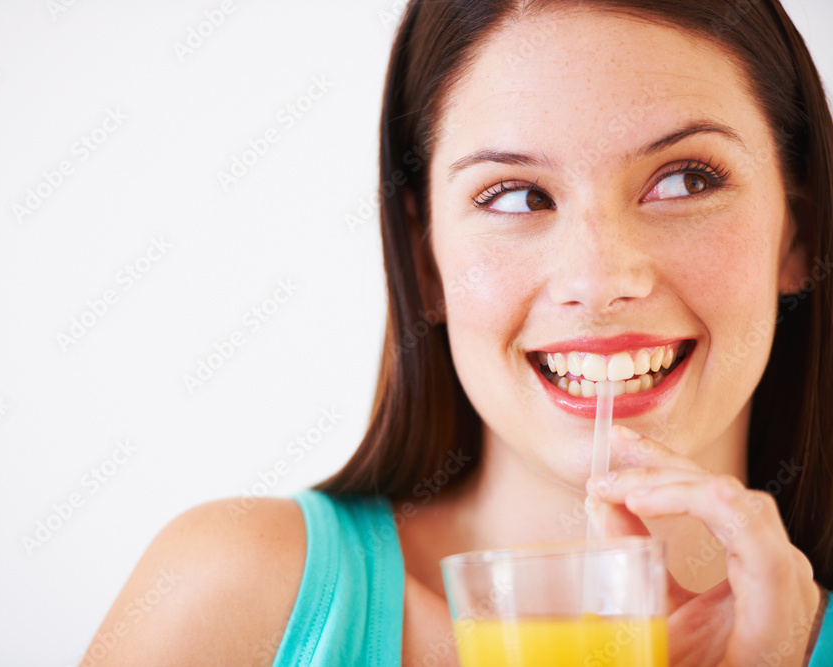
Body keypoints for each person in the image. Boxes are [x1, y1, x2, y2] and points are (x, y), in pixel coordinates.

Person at [81, 0, 833, 664]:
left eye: (686, 180)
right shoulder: (235, 597)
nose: (598, 278)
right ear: (424, 254)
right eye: (516, 195)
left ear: (794, 233)